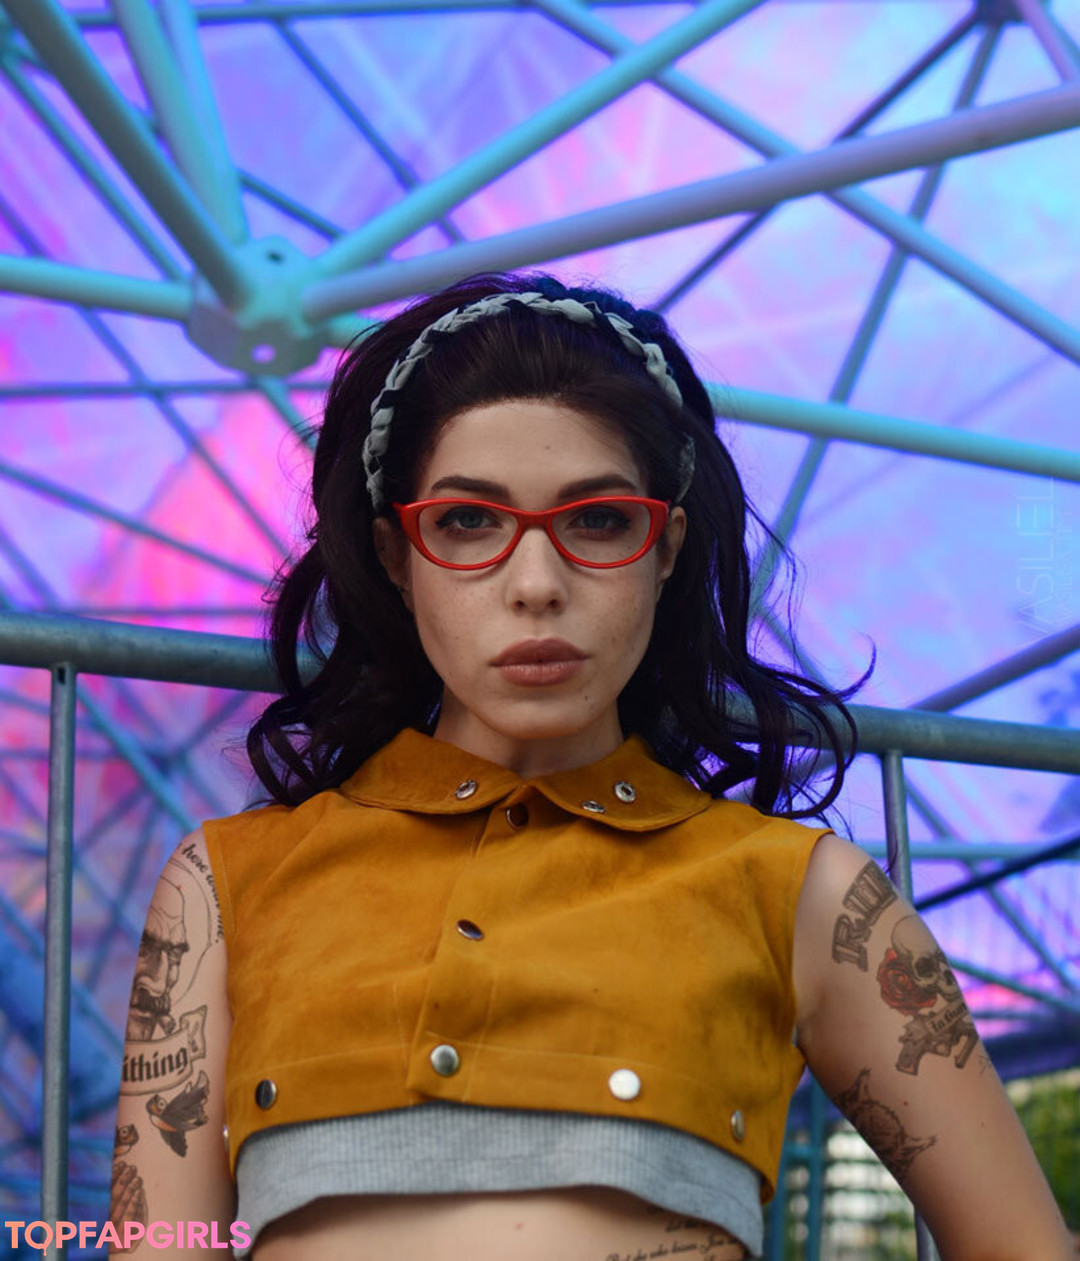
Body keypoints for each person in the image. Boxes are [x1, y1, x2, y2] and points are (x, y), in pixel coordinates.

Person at [109, 272, 1073, 1260]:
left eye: (599, 519)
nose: (537, 584)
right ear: (398, 555)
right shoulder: (228, 883)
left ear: (666, 549)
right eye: (468, 520)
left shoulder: (802, 893)